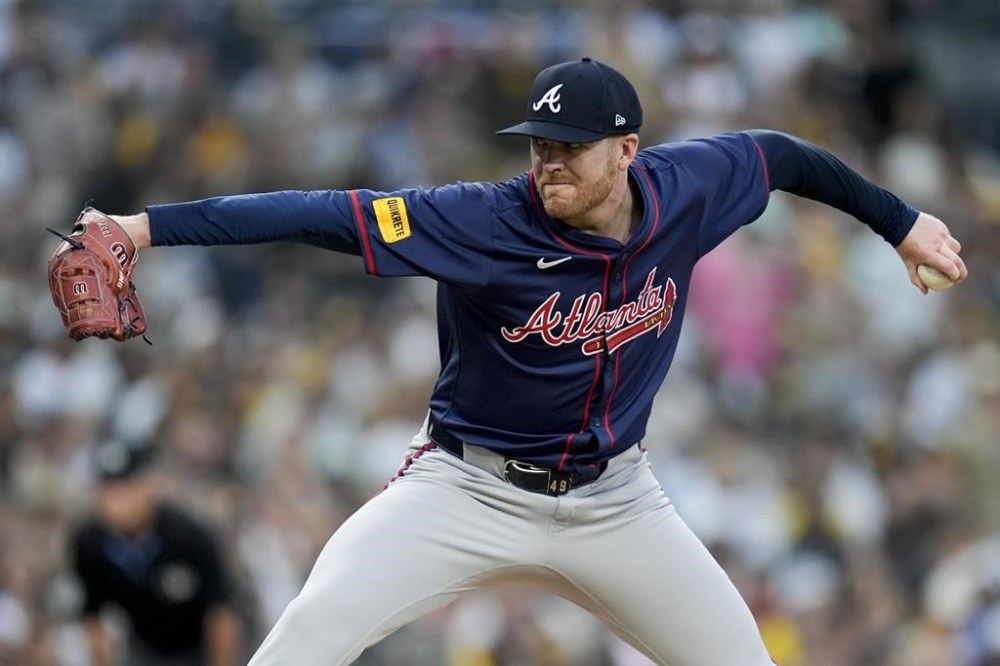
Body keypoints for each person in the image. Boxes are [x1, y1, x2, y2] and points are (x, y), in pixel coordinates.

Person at [90, 58, 966, 665]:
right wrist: (142, 228)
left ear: (627, 150)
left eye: (571, 147)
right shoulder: (481, 218)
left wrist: (899, 221)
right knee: (310, 632)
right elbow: (317, 211)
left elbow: (783, 156)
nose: (547, 162)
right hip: (464, 492)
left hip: (618, 503)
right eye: (539, 145)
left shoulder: (688, 187)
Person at [69, 440, 243, 666]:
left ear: (149, 486)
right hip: (145, 647)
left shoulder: (188, 536)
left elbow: (222, 615)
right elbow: (93, 619)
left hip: (198, 645)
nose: (119, 502)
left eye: (128, 487)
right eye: (110, 490)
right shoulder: (91, 544)